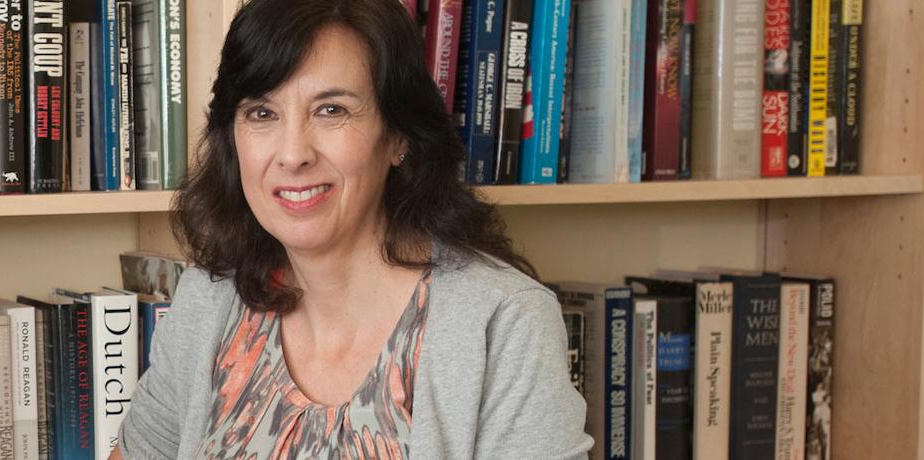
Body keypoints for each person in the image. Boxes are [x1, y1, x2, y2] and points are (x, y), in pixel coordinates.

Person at [113, 0, 590, 458]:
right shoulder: (209, 299)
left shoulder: (503, 323)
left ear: (399, 136)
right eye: (262, 113)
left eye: (331, 110)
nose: (293, 153)